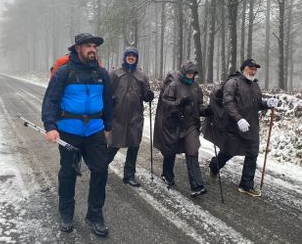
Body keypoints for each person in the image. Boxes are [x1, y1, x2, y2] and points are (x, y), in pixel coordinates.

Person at [41, 32, 113, 236]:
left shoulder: (102, 74)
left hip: (95, 132)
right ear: (77, 48)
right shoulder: (64, 72)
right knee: (68, 173)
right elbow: (50, 101)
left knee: (100, 170)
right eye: (88, 46)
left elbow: (109, 102)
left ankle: (95, 215)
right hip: (69, 132)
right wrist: (50, 126)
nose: (93, 50)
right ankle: (66, 214)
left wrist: (108, 126)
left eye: (95, 47)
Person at [206, 58, 278, 197]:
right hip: (234, 125)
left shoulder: (255, 85)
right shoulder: (233, 83)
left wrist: (267, 103)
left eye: (255, 69)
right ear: (243, 68)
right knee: (229, 151)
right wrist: (239, 119)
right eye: (250, 68)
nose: (253, 71)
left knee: (252, 153)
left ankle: (246, 184)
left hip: (251, 126)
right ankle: (215, 165)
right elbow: (228, 102)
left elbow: (256, 104)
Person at [154, 61, 211, 197]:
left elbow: (199, 106)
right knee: (171, 150)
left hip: (190, 124)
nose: (190, 75)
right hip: (174, 124)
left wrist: (206, 110)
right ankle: (167, 175)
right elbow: (166, 104)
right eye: (188, 72)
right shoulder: (174, 85)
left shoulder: (196, 87)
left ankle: (197, 186)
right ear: (184, 72)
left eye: (193, 73)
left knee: (192, 150)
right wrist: (179, 103)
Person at [107, 47, 154, 187]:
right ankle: (100, 168)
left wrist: (149, 95)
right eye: (129, 55)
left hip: (135, 117)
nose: (131, 57)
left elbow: (146, 95)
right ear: (125, 57)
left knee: (134, 146)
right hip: (118, 116)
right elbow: (107, 93)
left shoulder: (142, 76)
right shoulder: (115, 74)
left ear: (136, 58)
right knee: (113, 145)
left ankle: (129, 175)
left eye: (134, 55)